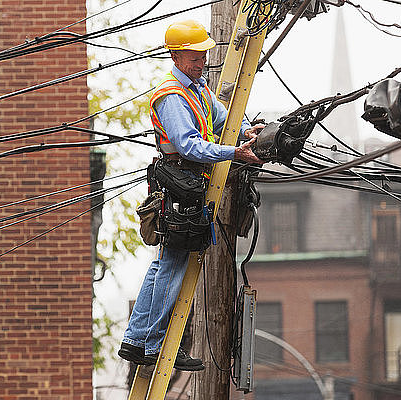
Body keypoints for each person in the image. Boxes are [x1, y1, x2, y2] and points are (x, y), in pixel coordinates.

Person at [118, 20, 263, 371]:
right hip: (180, 185)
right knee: (169, 265)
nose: (202, 61)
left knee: (170, 264)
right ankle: (145, 341)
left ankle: (142, 340)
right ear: (177, 55)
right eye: (196, 56)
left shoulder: (196, 89)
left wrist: (245, 130)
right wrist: (234, 153)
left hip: (189, 186)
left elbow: (220, 116)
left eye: (203, 55)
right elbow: (189, 145)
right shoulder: (170, 96)